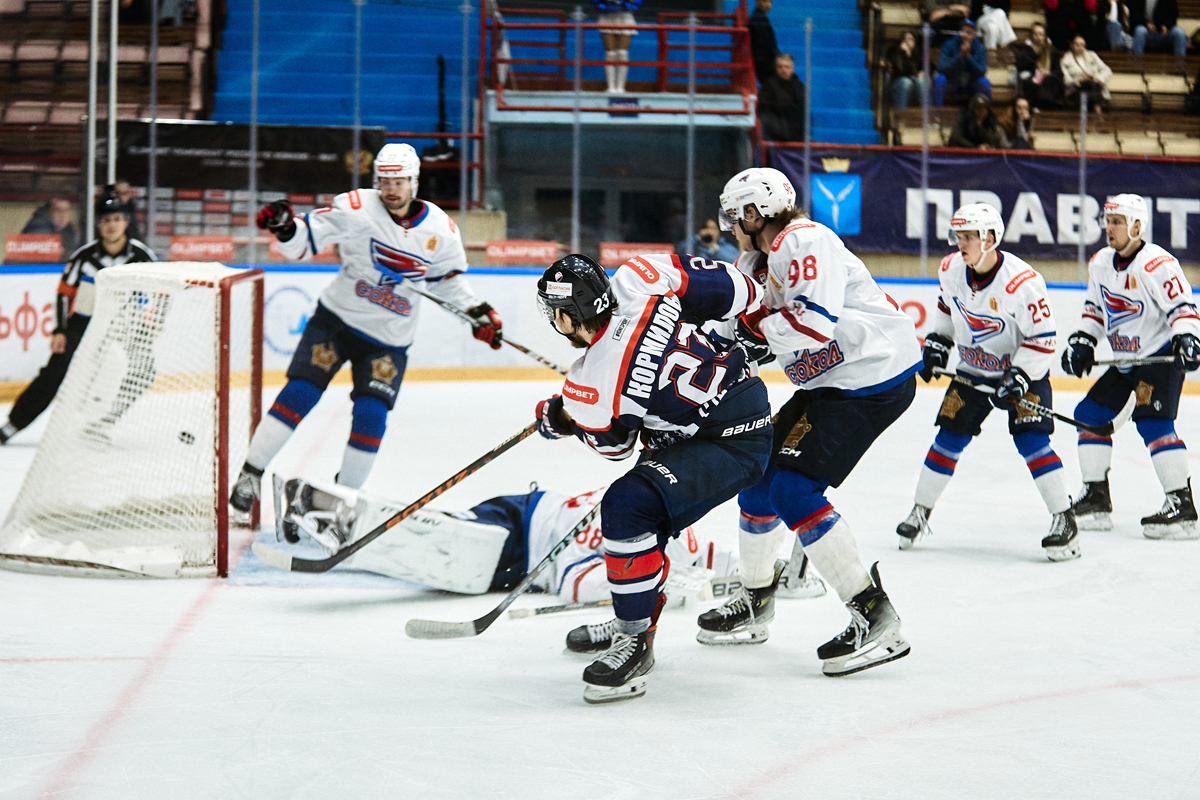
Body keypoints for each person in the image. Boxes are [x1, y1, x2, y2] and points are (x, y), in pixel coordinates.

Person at [701, 167, 920, 676]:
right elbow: (739, 333)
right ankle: (756, 602)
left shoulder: (805, 240)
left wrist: (753, 334)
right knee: (758, 480)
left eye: (734, 216)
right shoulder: (754, 261)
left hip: (872, 378)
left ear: (756, 212)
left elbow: (813, 323)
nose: (730, 226)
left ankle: (875, 616)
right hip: (831, 382)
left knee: (793, 490)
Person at [533, 252, 772, 703]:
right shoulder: (640, 278)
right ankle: (635, 615)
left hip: (730, 442)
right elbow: (738, 289)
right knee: (647, 505)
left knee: (628, 507)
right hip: (739, 402)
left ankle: (634, 640)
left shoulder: (588, 384)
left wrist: (561, 419)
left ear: (566, 317)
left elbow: (616, 447)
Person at [228, 143, 503, 512]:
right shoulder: (355, 207)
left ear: (414, 182)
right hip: (336, 322)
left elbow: (448, 282)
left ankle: (338, 503)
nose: (391, 189)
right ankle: (250, 475)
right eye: (385, 181)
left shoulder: (441, 229)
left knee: (372, 416)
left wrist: (477, 313)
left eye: (399, 181)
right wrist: (286, 228)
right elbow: (303, 242)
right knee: (300, 393)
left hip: (388, 341)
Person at [897, 203, 1077, 560]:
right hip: (973, 372)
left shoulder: (1022, 283)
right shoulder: (950, 269)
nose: (960, 243)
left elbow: (1043, 340)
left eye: (969, 237)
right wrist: (938, 342)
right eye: (958, 236)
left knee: (1032, 442)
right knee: (948, 438)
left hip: (1023, 375)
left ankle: (1064, 519)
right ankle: (920, 512)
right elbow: (946, 309)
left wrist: (1020, 375)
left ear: (990, 239)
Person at [1062, 194, 1200, 539]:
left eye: (1117, 222)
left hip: (1157, 357)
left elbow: (1182, 308)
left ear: (1137, 226)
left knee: (1154, 423)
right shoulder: (1100, 263)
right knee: (1089, 415)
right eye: (1107, 221)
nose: (1109, 228)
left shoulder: (1157, 264)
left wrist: (1187, 337)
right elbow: (1096, 311)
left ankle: (1182, 506)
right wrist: (1084, 340)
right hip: (1126, 361)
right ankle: (1096, 499)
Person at [1, 193, 156, 445]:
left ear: (126, 222)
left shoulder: (142, 256)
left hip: (127, 326)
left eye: (117, 219)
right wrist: (60, 330)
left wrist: (150, 325)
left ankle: (102, 423)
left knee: (144, 371)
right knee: (56, 370)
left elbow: (160, 294)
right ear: (98, 224)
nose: (112, 225)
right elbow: (64, 294)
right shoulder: (84, 256)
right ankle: (13, 425)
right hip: (84, 324)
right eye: (106, 220)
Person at [933, 20, 991, 106]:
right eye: (963, 32)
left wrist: (968, 57)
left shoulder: (980, 47)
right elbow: (941, 67)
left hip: (971, 84)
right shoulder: (949, 44)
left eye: (969, 32)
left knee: (984, 82)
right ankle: (937, 112)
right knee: (939, 79)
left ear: (974, 34)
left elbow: (982, 71)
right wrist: (959, 56)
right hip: (952, 83)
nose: (965, 35)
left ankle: (986, 112)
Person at [593, 0, 641, 93]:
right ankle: (610, 87)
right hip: (607, 17)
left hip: (625, 17)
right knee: (610, 54)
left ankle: (621, 87)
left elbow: (637, 2)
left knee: (622, 53)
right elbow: (596, 2)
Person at [1015, 22, 1065, 109]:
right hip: (1031, 80)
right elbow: (1022, 65)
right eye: (1035, 34)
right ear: (1031, 35)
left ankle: (1045, 105)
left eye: (1041, 34)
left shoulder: (1051, 50)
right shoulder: (1025, 49)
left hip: (1049, 81)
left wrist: (1049, 72)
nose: (1038, 37)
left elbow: (1058, 71)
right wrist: (1035, 54)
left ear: (1045, 36)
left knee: (1050, 81)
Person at [758, 53, 806, 141]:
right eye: (780, 67)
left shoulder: (801, 88)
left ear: (792, 68)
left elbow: (803, 113)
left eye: (787, 67)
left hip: (798, 137)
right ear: (775, 68)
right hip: (776, 138)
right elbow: (764, 113)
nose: (784, 70)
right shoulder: (768, 86)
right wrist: (783, 132)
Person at [888, 30, 927, 112]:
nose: (908, 42)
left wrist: (922, 72)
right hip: (898, 83)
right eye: (906, 39)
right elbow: (901, 72)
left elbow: (928, 66)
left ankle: (926, 114)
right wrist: (905, 54)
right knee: (906, 82)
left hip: (914, 83)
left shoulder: (917, 54)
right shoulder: (894, 52)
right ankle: (901, 113)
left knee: (922, 81)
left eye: (911, 39)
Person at [748, 0, 780, 86]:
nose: (768, 5)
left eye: (770, 2)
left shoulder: (761, 18)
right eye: (765, 1)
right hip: (765, 62)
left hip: (767, 60)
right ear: (757, 2)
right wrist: (777, 57)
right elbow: (766, 44)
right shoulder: (758, 19)